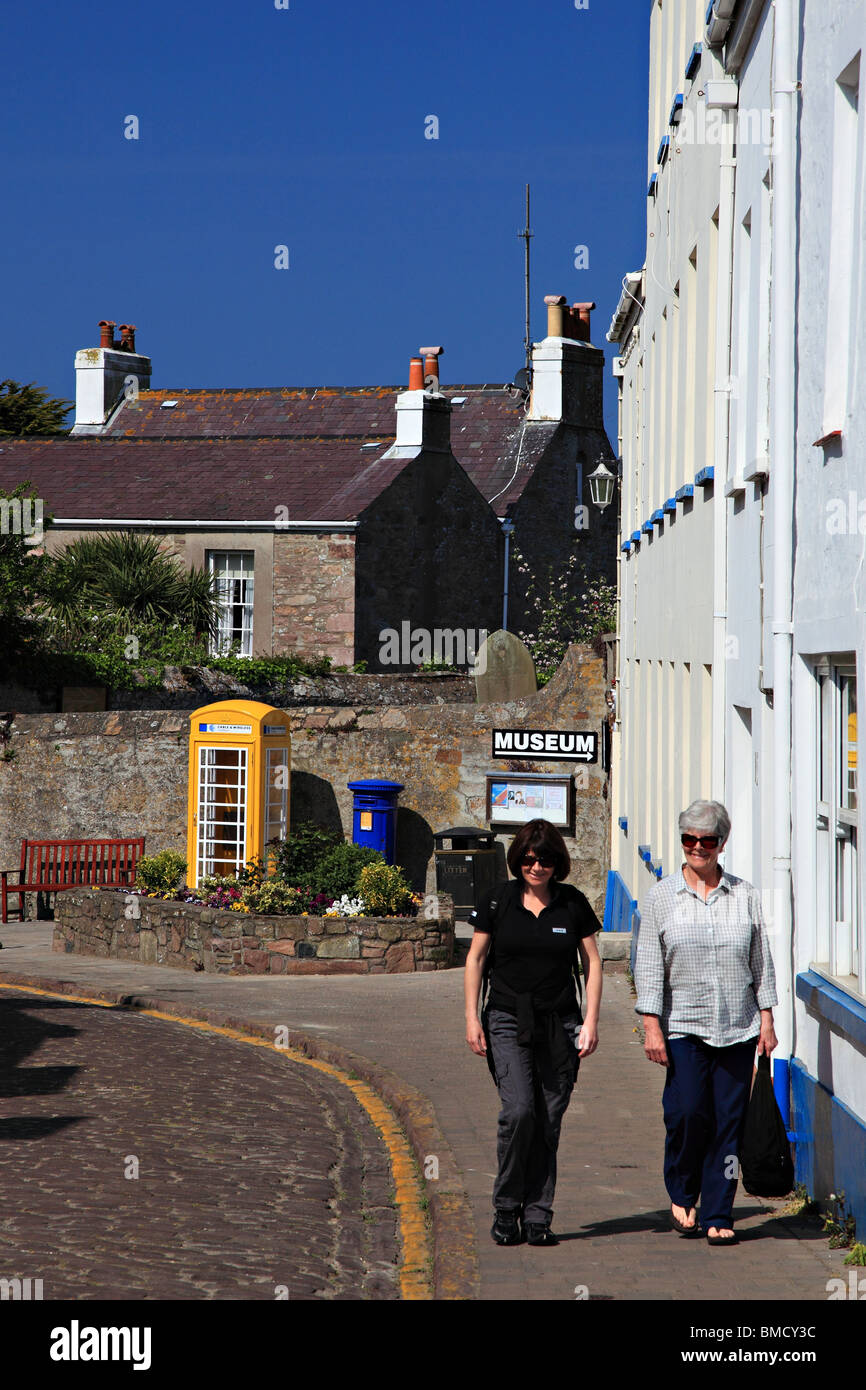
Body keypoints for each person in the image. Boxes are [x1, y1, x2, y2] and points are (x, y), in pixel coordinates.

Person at [634, 799, 778, 1246]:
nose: (698, 848)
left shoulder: (746, 895)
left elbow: (761, 961)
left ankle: (719, 1211)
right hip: (683, 1028)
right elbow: (649, 966)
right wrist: (651, 1025)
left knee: (728, 1123)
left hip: (738, 1026)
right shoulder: (661, 897)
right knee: (687, 1113)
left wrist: (767, 1018)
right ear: (682, 842)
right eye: (689, 839)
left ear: (722, 843)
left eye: (707, 840)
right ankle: (682, 1189)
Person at [464, 818, 602, 1246]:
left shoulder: (572, 903)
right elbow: (475, 959)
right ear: (517, 860)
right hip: (506, 1018)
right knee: (520, 1110)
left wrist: (591, 1023)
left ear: (556, 862)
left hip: (560, 1023)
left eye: (544, 859)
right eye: (528, 858)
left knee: (548, 1120)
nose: (536, 866)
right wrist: (471, 1018)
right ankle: (507, 1209)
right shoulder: (496, 901)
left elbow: (593, 963)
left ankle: (538, 1216)